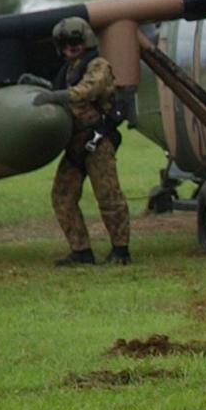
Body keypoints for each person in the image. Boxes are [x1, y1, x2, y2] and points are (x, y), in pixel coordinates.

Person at [32, 17, 131, 267]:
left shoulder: (98, 66)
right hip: (75, 144)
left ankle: (120, 250)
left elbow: (90, 89)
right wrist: (38, 87)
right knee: (62, 195)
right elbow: (61, 92)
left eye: (75, 43)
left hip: (97, 141)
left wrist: (57, 96)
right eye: (65, 45)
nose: (70, 48)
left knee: (108, 195)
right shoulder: (67, 71)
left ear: (85, 41)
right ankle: (81, 251)